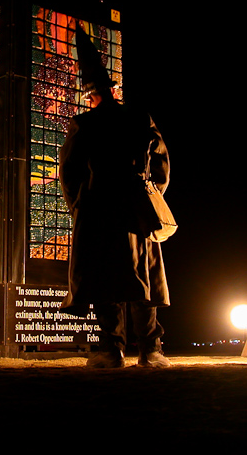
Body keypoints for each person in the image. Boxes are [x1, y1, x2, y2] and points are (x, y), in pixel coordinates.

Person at [59, 26, 171, 368]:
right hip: (136, 207)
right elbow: (162, 164)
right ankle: (150, 351)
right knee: (143, 280)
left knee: (104, 279)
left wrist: (79, 204)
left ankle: (111, 350)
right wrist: (151, 193)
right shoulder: (139, 117)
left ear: (90, 95)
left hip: (98, 209)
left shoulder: (84, 124)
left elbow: (69, 171)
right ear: (114, 89)